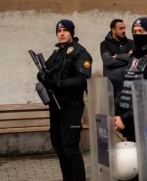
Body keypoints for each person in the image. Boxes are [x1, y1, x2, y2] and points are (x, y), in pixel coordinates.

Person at [37, 19, 92, 181]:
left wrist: (57, 84)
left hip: (71, 107)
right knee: (59, 147)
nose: (61, 34)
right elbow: (46, 72)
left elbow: (82, 79)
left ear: (71, 33)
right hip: (56, 106)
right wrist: (41, 76)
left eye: (65, 31)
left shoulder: (80, 53)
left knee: (70, 148)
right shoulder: (57, 53)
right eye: (58, 31)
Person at [100, 18, 135, 102]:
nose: (123, 30)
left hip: (128, 85)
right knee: (113, 112)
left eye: (124, 28)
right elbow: (108, 62)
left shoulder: (131, 43)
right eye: (120, 28)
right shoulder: (105, 44)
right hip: (112, 86)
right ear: (113, 30)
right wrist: (128, 57)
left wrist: (117, 56)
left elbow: (135, 60)